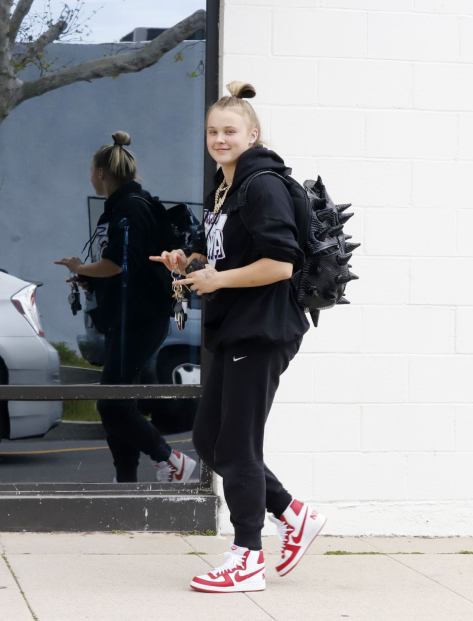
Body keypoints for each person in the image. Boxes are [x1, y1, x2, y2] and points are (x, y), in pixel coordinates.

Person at [150, 83, 327, 593]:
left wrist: (218, 281)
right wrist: (192, 264)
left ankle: (247, 555)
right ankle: (293, 513)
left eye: (230, 131)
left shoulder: (263, 184)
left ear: (252, 134)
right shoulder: (224, 187)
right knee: (209, 440)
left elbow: (279, 263)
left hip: (264, 328)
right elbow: (230, 258)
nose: (219, 139)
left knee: (239, 445)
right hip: (234, 328)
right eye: (213, 131)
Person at [55, 131, 196, 485]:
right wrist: (90, 279)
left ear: (102, 172)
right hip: (125, 318)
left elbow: (118, 263)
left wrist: (80, 268)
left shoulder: (131, 208)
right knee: (120, 403)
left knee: (111, 403)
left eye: (91, 169)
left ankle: (170, 459)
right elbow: (122, 270)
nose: (89, 176)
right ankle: (126, 481)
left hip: (139, 320)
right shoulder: (119, 209)